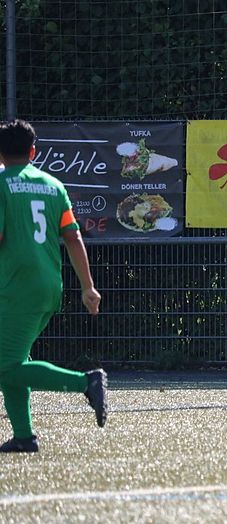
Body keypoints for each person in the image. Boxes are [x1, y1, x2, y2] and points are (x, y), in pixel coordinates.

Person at [0, 119, 107, 453]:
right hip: (48, 285)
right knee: (13, 362)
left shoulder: (1, 185)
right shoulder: (53, 185)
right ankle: (24, 436)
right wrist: (88, 287)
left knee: (7, 366)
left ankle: (86, 382)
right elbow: (73, 238)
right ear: (33, 151)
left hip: (15, 286)